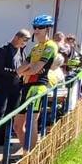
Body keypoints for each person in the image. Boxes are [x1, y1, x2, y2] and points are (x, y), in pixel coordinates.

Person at [15, 14, 58, 142]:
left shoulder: (51, 46)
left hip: (38, 86)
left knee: (31, 122)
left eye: (40, 27)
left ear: (47, 29)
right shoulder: (35, 48)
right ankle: (26, 150)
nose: (37, 30)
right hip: (26, 86)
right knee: (17, 126)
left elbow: (35, 69)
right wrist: (29, 68)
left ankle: (31, 153)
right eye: (35, 27)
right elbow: (19, 69)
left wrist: (28, 69)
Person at [0, 29, 29, 148]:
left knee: (10, 113)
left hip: (16, 87)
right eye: (24, 39)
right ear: (17, 37)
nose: (25, 42)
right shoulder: (2, 51)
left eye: (27, 40)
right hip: (3, 86)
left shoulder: (22, 52)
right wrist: (15, 72)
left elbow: (23, 67)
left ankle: (4, 139)